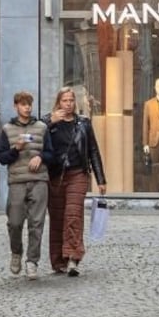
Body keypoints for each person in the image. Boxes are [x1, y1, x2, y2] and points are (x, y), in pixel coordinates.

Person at [43, 87, 108, 277]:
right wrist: (49, 122)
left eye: (71, 100)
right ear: (58, 102)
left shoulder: (83, 124)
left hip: (77, 173)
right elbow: (35, 134)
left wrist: (100, 179)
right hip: (55, 176)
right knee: (57, 218)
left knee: (73, 214)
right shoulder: (49, 121)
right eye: (64, 100)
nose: (68, 104)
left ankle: (72, 257)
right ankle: (58, 261)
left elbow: (93, 151)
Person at [0, 92, 51, 277]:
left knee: (37, 222)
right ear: (16, 106)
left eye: (29, 104)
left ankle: (32, 261)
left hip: (39, 180)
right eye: (23, 104)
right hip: (17, 181)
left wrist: (41, 157)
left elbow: (52, 154)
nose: (27, 107)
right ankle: (16, 252)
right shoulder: (7, 129)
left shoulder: (42, 127)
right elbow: (2, 158)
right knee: (15, 222)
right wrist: (15, 149)